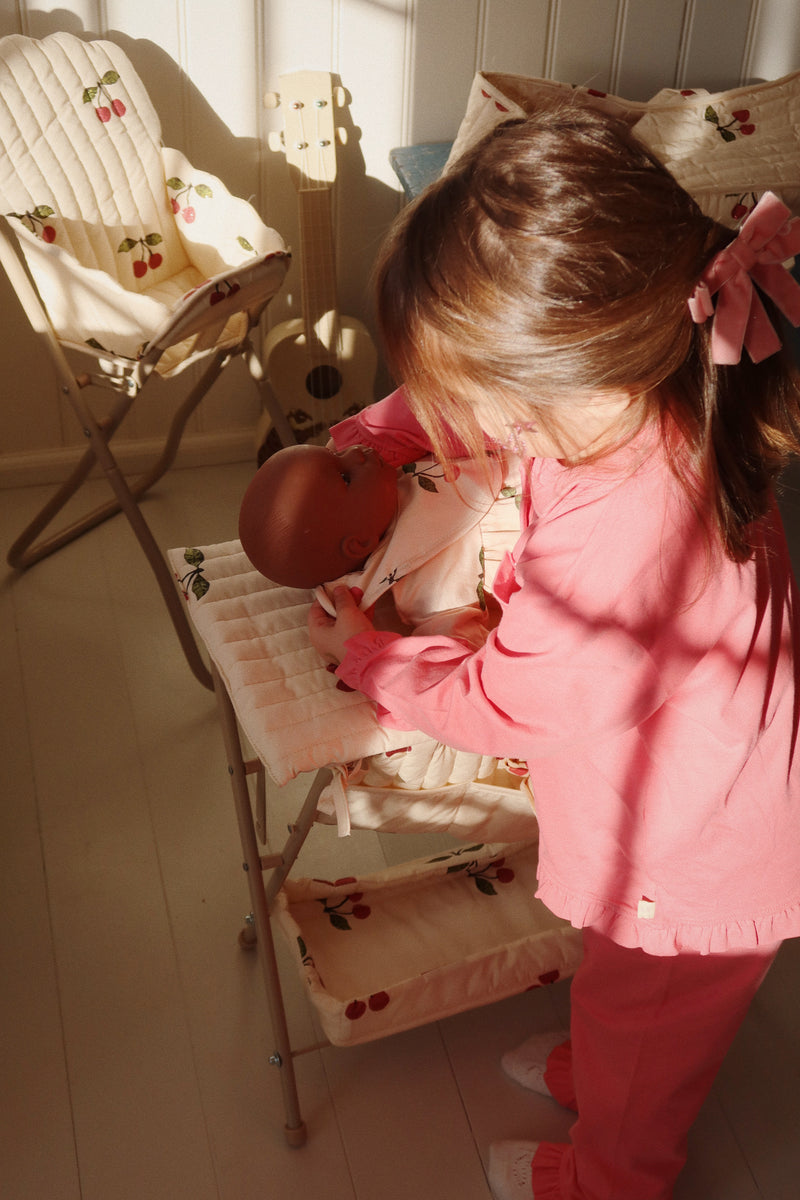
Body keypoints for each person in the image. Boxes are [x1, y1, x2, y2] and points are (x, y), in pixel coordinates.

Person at [306, 104, 800, 1200]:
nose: (482, 427)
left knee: (648, 1025)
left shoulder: (631, 517)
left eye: (494, 410)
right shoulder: (634, 388)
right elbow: (486, 412)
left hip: (691, 858)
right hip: (681, 801)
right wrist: (379, 434)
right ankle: (602, 1066)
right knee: (624, 1000)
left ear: (560, 374)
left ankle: (607, 1175)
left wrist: (375, 662)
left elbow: (512, 704)